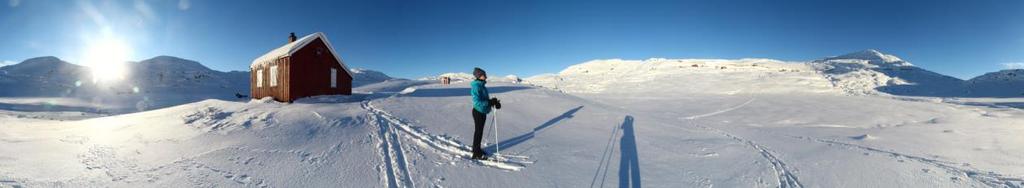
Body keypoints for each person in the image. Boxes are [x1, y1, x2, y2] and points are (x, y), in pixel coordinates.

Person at [470, 67, 501, 160]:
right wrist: (489, 102)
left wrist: (493, 102)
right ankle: (476, 153)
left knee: (479, 131)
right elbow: (476, 101)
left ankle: (476, 148)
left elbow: (484, 99)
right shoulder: (476, 86)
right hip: (478, 111)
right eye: (484, 75)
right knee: (478, 132)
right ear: (479, 76)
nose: (486, 76)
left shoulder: (482, 85)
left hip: (482, 111)